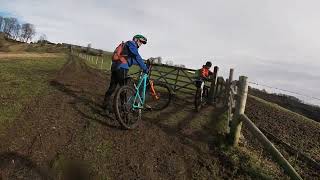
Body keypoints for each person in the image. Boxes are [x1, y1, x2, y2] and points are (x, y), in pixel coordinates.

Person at [103, 34, 149, 112]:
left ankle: (104, 105)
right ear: (136, 39)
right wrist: (144, 68)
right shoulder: (131, 44)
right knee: (123, 89)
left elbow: (131, 60)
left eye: (142, 43)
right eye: (140, 41)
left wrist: (142, 63)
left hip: (115, 67)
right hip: (122, 68)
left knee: (112, 87)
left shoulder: (127, 48)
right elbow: (137, 56)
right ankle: (124, 108)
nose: (141, 44)